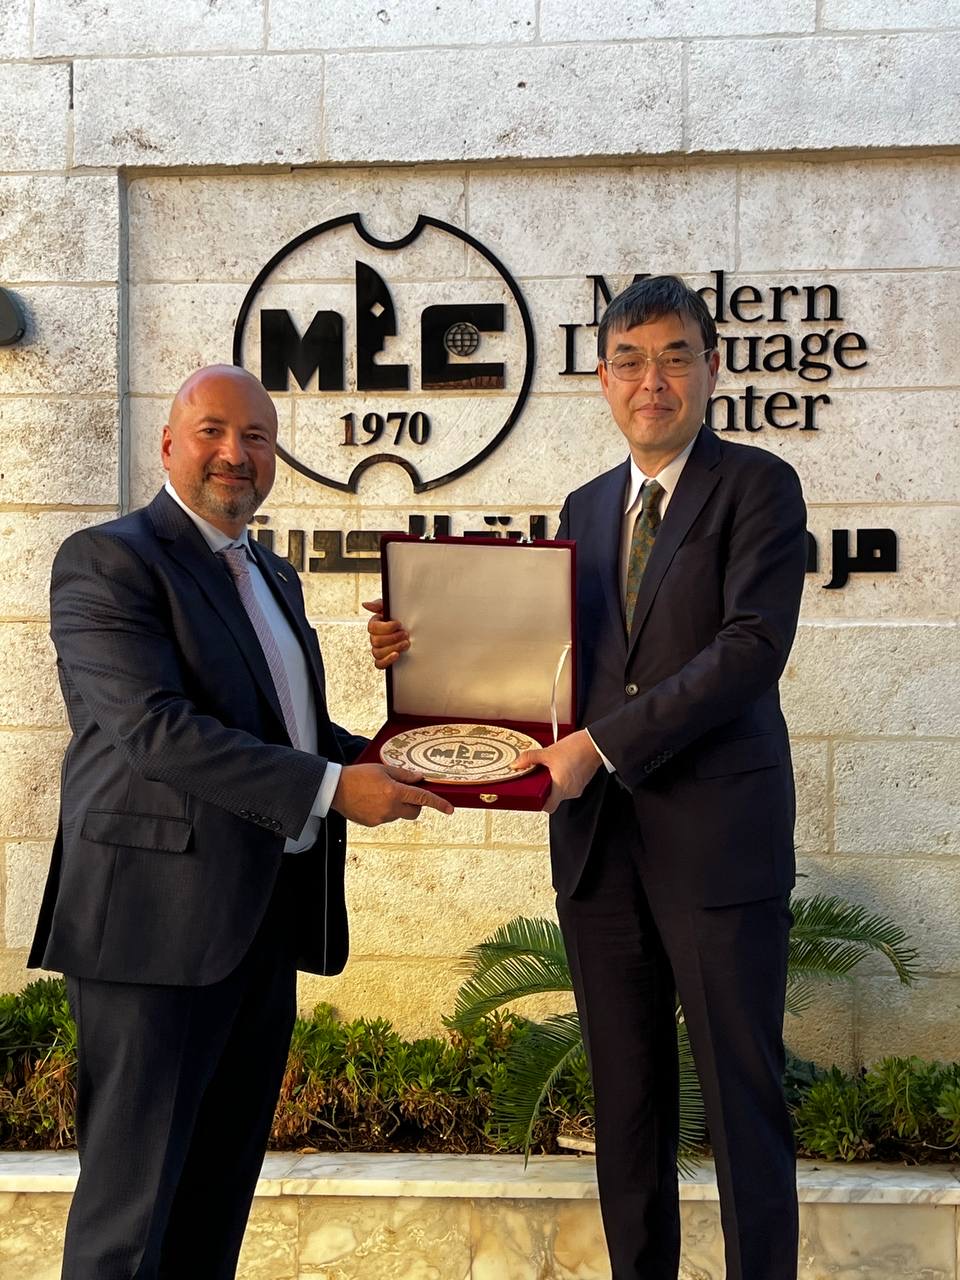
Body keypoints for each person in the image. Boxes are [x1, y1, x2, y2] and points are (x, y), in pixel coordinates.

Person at [368, 276, 807, 1280]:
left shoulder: (759, 487)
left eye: (675, 357)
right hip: (600, 848)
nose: (653, 381)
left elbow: (749, 650)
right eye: (630, 361)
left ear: (711, 368)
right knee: (627, 1103)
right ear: (603, 380)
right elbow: (547, 661)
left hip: (718, 846)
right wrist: (421, 647)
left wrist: (599, 746)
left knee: (741, 1101)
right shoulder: (585, 507)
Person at [29, 364, 453, 1280]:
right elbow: (158, 731)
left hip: (259, 925)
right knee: (129, 1223)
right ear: (169, 445)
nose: (236, 453)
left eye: (256, 436)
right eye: (214, 431)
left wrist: (410, 752)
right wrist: (333, 788)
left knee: (213, 1205)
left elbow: (291, 733)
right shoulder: (108, 560)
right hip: (152, 934)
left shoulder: (272, 574)